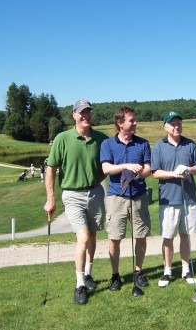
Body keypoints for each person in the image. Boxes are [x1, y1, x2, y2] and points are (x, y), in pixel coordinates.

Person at [43, 99, 108, 305]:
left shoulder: (100, 139)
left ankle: (88, 273)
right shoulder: (63, 138)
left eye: (88, 112)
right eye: (81, 113)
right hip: (72, 194)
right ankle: (80, 284)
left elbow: (111, 160)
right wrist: (50, 198)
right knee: (83, 237)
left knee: (93, 236)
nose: (85, 116)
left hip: (96, 193)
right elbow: (51, 168)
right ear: (73, 115)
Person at [100, 105, 151, 292]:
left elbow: (147, 170)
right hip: (116, 196)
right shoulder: (108, 144)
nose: (135, 123)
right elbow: (106, 169)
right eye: (131, 120)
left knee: (140, 235)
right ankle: (115, 275)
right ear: (120, 123)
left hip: (138, 195)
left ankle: (138, 272)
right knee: (115, 237)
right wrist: (127, 166)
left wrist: (136, 175)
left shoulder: (143, 143)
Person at [151, 111, 196, 288]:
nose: (176, 126)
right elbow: (155, 172)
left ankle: (186, 269)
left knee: (185, 236)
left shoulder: (190, 144)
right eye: (172, 124)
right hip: (168, 199)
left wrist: (188, 168)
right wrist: (174, 173)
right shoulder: (158, 146)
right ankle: (167, 271)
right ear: (165, 127)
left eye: (179, 123)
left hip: (188, 197)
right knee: (168, 237)